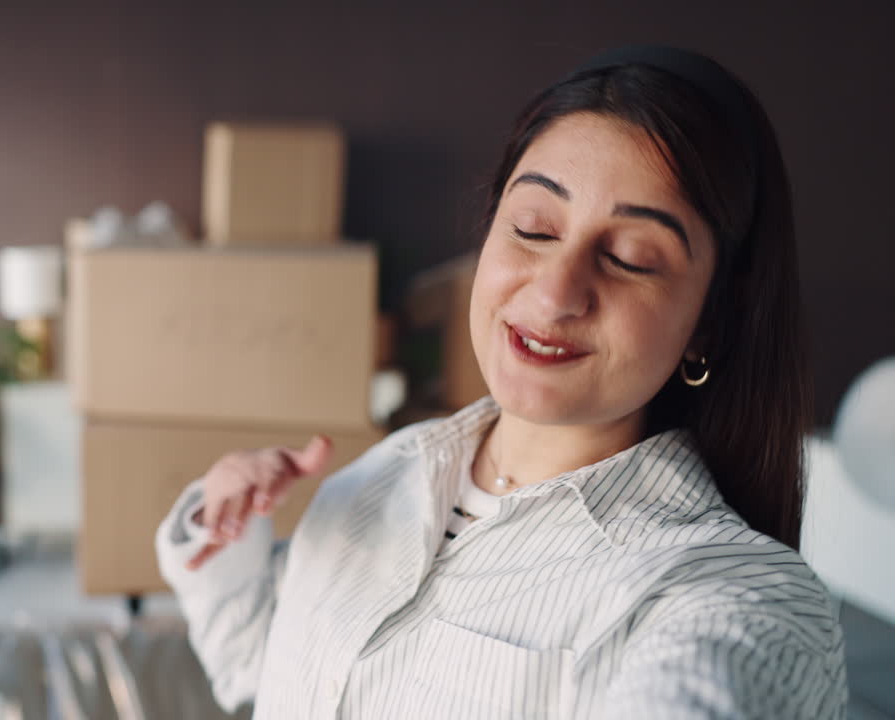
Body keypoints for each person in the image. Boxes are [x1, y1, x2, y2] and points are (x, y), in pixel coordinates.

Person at [156, 45, 846, 719]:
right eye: (533, 227)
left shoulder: (722, 592)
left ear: (710, 322)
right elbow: (255, 668)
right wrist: (224, 529)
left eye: (631, 258)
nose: (554, 294)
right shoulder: (381, 477)